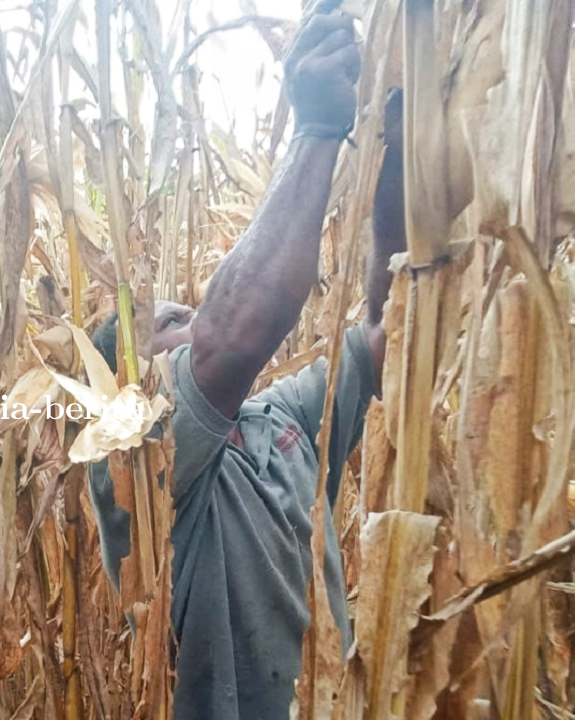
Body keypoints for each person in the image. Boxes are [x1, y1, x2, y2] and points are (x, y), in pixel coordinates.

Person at [88, 5, 406, 718]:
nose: (196, 322)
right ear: (125, 385)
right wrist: (320, 128)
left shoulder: (284, 419)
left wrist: (397, 131)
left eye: (191, 312)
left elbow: (395, 325)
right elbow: (233, 337)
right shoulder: (131, 462)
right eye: (172, 324)